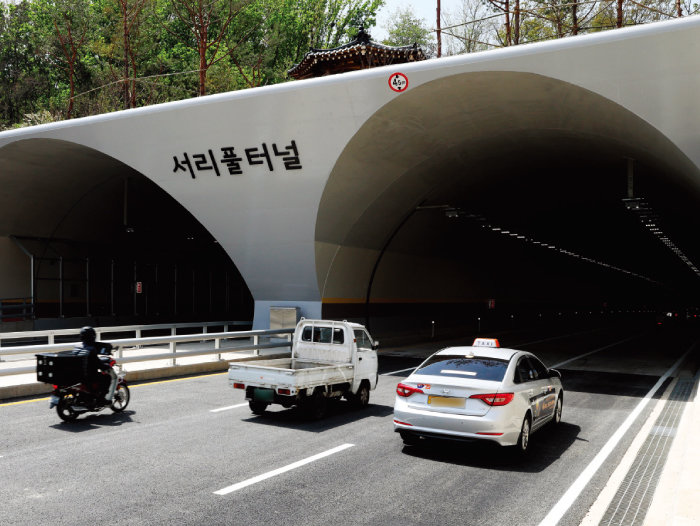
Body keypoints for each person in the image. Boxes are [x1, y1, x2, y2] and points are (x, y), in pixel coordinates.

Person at [74, 326, 117, 403]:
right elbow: (98, 364)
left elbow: (91, 360)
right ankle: (101, 399)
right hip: (89, 376)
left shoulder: (77, 346)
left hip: (79, 375)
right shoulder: (91, 349)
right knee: (107, 378)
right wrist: (106, 366)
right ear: (92, 337)